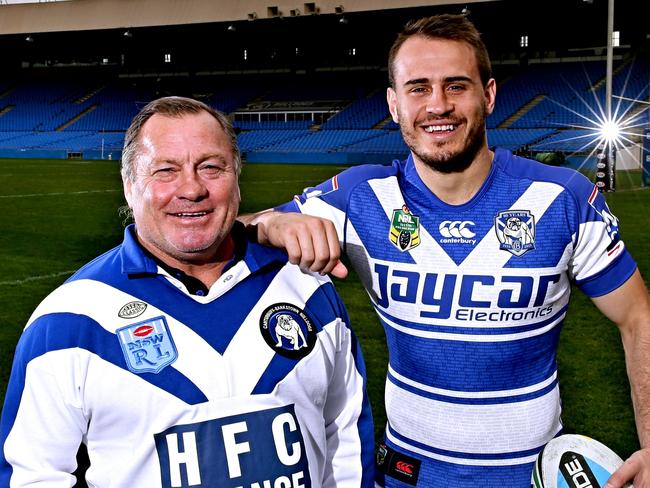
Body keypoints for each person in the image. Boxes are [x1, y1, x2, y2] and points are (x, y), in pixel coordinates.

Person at [242, 14, 650, 488]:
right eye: (418, 88)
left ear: (489, 95)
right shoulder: (359, 197)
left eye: (456, 86)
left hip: (534, 477)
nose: (438, 105)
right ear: (394, 104)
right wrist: (272, 221)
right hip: (407, 476)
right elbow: (231, 229)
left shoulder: (562, 198)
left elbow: (638, 317)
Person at [0, 96, 375, 487]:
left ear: (236, 176)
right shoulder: (70, 318)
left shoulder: (307, 289)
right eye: (165, 170)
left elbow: (345, 437)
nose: (192, 188)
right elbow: (31, 475)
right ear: (129, 186)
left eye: (211, 167)